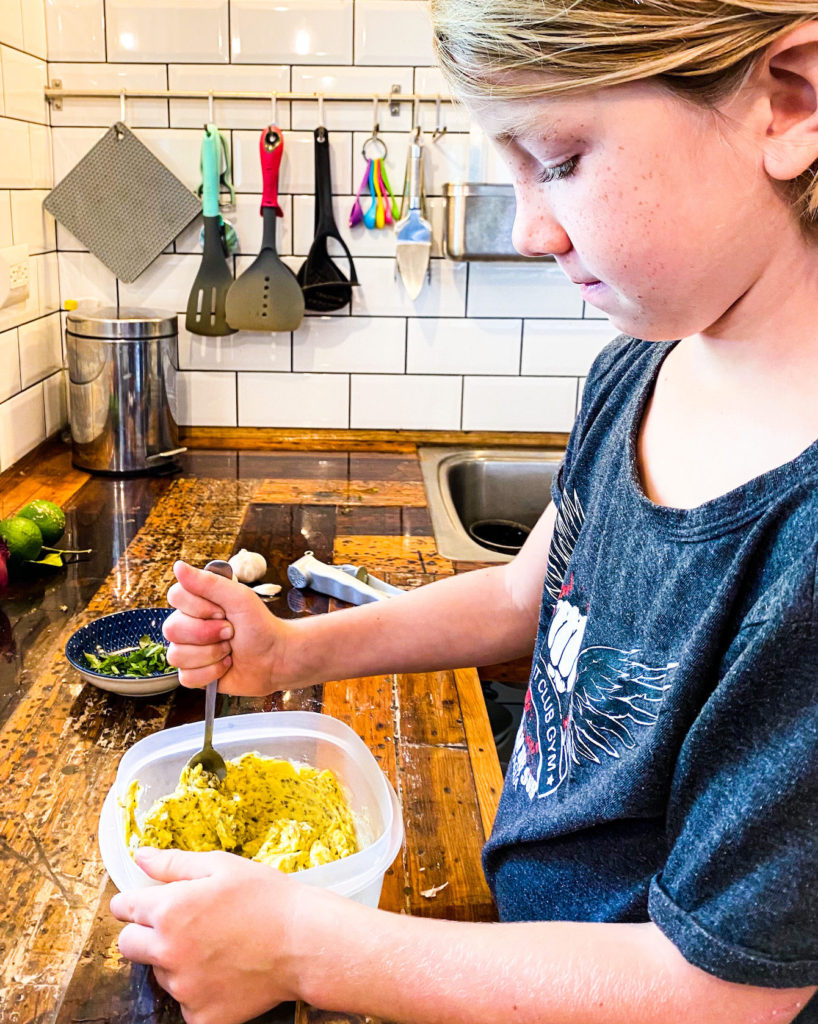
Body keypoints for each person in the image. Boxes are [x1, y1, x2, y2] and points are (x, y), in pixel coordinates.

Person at [111, 3, 818, 1022]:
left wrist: (305, 947)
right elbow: (527, 596)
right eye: (513, 166)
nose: (529, 229)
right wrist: (288, 653)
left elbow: (720, 989)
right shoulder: (638, 369)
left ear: (787, 99)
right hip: (524, 962)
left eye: (562, 159)